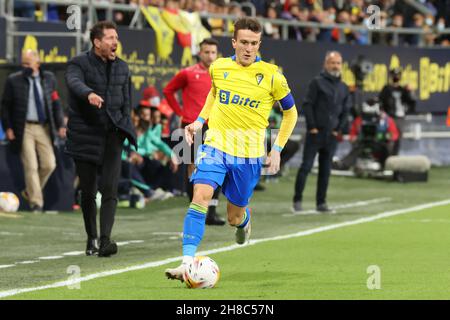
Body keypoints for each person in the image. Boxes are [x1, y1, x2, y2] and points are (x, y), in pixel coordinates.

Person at [165, 17, 298, 282]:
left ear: (259, 44)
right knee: (199, 195)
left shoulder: (273, 75)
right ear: (234, 42)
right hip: (216, 146)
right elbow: (214, 95)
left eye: (254, 44)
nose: (249, 49)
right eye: (244, 43)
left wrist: (277, 148)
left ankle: (244, 222)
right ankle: (187, 262)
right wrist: (199, 122)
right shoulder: (219, 67)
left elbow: (291, 114)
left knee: (233, 216)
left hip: (248, 153)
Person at [65, 21, 136, 257]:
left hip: (113, 136)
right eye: (110, 38)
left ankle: (105, 240)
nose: (115, 42)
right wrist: (89, 94)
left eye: (116, 37)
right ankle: (91, 237)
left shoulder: (123, 68)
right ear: (97, 42)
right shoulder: (79, 63)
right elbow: (73, 83)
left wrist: (125, 127)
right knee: (88, 192)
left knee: (110, 189)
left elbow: (127, 102)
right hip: (85, 134)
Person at [163, 37, 226, 226]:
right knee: (191, 168)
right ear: (200, 53)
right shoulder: (187, 73)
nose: (210, 55)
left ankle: (212, 212)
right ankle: (196, 211)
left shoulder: (221, 75)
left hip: (215, 126)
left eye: (213, 52)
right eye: (206, 52)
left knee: (217, 167)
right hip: (191, 125)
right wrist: (180, 112)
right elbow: (168, 91)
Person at [1, 49, 66, 212]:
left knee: (49, 164)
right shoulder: (13, 80)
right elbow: (5, 106)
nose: (24, 66)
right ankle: (37, 203)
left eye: (28, 63)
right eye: (22, 63)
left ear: (37, 63)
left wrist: (61, 125)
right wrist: (8, 127)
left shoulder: (49, 79)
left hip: (44, 127)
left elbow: (56, 103)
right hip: (24, 128)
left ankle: (29, 192)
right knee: (31, 165)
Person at [292, 51, 350, 213]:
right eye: (332, 63)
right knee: (306, 167)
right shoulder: (317, 83)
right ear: (326, 64)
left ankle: (321, 203)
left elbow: (345, 111)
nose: (336, 66)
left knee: (325, 170)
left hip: (331, 135)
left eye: (338, 63)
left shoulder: (343, 87)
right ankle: (297, 200)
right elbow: (308, 105)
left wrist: (338, 130)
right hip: (315, 133)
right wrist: (312, 127)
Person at [333, 98, 399, 171]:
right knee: (358, 148)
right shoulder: (359, 119)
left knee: (387, 148)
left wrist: (387, 136)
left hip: (380, 143)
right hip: (363, 142)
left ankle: (386, 166)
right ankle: (344, 164)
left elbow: (394, 134)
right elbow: (353, 133)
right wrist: (353, 138)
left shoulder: (387, 120)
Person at [379, 67, 416, 155]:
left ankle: (395, 156)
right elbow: (381, 101)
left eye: (398, 75)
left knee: (398, 138)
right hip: (390, 117)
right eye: (394, 75)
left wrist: (411, 92)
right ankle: (388, 157)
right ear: (391, 76)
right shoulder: (387, 89)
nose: (396, 77)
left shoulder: (403, 90)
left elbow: (412, 103)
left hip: (400, 118)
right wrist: (383, 113)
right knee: (389, 138)